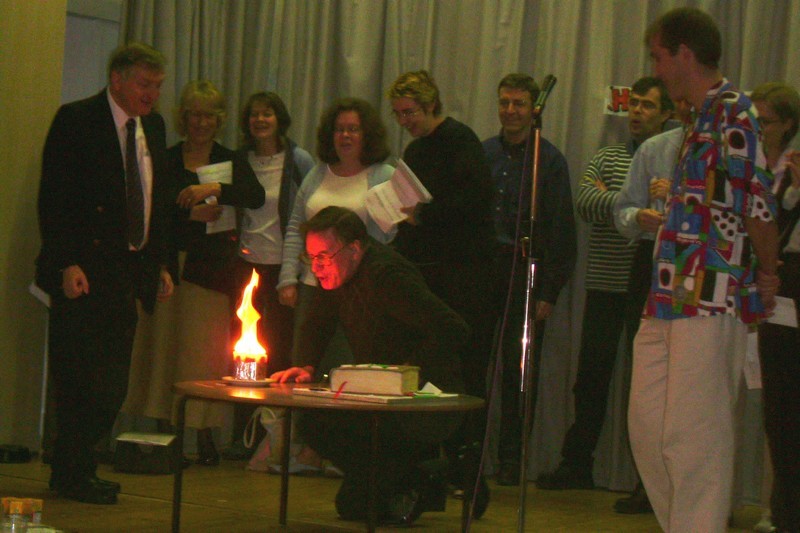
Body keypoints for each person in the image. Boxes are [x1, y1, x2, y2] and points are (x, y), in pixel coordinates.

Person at [629, 8, 780, 531]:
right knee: (648, 429)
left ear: (684, 55)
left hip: (710, 293)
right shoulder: (697, 117)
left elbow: (757, 203)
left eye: (659, 56)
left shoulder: (735, 112)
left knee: (694, 436)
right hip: (668, 293)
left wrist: (767, 272)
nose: (656, 66)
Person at [36, 42, 174, 504]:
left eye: (156, 85)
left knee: (111, 382)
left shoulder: (153, 127)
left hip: (127, 270)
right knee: (78, 377)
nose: (151, 94)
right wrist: (64, 262)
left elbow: (157, 202)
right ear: (116, 79)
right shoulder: (76, 120)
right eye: (143, 83)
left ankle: (74, 464)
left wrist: (160, 265)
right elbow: (53, 198)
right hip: (83, 269)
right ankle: (73, 470)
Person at [273, 206, 469, 526]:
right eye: (311, 258)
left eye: (324, 256)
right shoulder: (338, 275)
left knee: (357, 503)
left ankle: (425, 474)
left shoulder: (387, 277)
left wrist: (407, 370)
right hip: (381, 399)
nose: (317, 267)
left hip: (425, 399)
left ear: (354, 249)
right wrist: (305, 365)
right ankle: (406, 479)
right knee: (314, 422)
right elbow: (317, 321)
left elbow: (453, 328)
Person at [536, 78, 673, 499]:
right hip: (604, 283)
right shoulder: (609, 156)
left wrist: (618, 204)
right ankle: (576, 462)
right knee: (591, 378)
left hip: (649, 287)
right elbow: (584, 202)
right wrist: (631, 207)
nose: (637, 113)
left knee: (645, 383)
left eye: (648, 106)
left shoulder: (670, 161)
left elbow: (665, 216)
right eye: (633, 105)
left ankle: (645, 482)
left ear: (666, 114)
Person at [122, 80, 265, 466]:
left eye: (209, 115)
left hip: (210, 271)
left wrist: (214, 188)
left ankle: (204, 434)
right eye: (195, 114)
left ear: (219, 120)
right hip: (168, 265)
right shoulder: (165, 158)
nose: (201, 122)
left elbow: (255, 196)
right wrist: (187, 211)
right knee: (162, 349)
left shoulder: (230, 159)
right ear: (184, 118)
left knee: (203, 354)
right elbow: (148, 210)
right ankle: (159, 431)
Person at [388, 70, 496, 513]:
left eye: (409, 112)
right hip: (430, 279)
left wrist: (422, 216)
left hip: (465, 281)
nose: (404, 120)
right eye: (397, 114)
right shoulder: (415, 150)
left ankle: (470, 474)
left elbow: (474, 205)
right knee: (427, 380)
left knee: (464, 377)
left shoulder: (460, 141)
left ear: (431, 103)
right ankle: (431, 476)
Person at [482, 73, 576, 486]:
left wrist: (548, 291)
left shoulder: (549, 160)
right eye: (504, 102)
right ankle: (466, 456)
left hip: (527, 271)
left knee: (518, 373)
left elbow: (560, 231)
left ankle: (511, 461)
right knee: (474, 365)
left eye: (519, 104)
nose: (510, 111)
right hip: (485, 270)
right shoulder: (483, 153)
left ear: (534, 108)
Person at [222, 91, 315, 461]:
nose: (260, 121)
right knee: (243, 356)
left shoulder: (298, 159)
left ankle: (274, 440)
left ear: (280, 119)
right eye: (254, 115)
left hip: (284, 269)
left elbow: (311, 207)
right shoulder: (238, 160)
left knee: (279, 355)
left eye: (268, 114)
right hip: (245, 266)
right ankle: (242, 436)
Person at [277, 97, 395, 373]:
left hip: (359, 293)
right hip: (312, 285)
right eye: (339, 129)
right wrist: (287, 278)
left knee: (348, 368)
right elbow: (296, 226)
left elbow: (390, 238)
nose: (345, 136)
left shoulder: (384, 175)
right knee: (305, 363)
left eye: (353, 129)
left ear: (367, 134)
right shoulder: (317, 173)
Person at [751, 81, 800, 533]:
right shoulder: (752, 159)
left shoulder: (793, 164)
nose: (758, 128)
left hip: (792, 279)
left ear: (787, 123)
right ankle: (784, 512)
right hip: (770, 290)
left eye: (764, 121)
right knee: (778, 410)